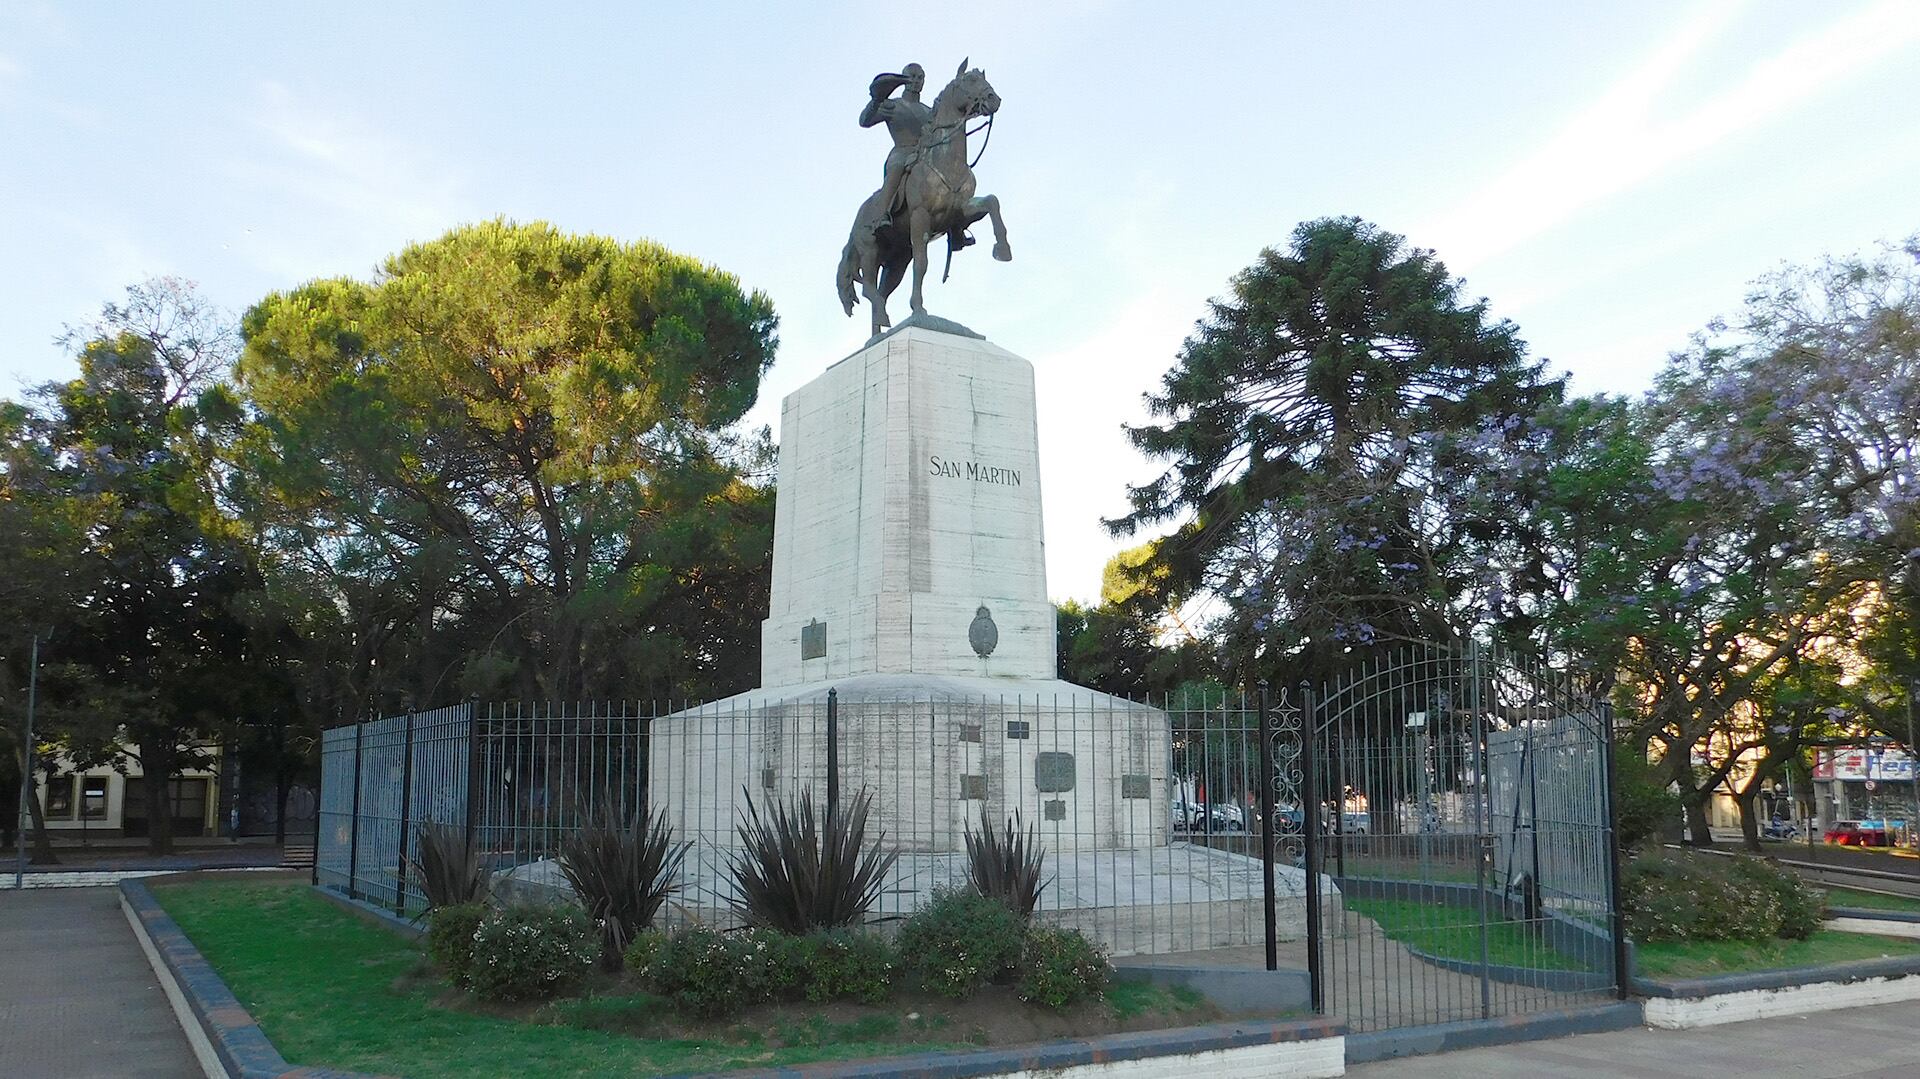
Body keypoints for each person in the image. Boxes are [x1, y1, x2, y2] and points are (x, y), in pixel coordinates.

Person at [859, 63, 932, 233]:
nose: (916, 81)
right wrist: (876, 101)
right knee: (896, 169)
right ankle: (881, 215)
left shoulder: (928, 111)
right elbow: (865, 121)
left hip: (926, 154)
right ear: (905, 79)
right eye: (912, 77)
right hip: (902, 150)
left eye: (920, 77)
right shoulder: (893, 105)